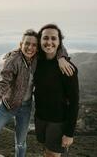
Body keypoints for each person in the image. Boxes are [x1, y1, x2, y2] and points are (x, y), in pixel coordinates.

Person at [0, 29, 74, 157]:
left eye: (34, 45)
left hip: (25, 107)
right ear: (20, 45)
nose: (30, 47)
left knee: (20, 142)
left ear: (38, 47)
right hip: (7, 106)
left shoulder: (38, 58)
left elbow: (56, 46)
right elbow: (1, 86)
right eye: (27, 44)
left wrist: (62, 57)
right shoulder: (13, 60)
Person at [34, 24, 79, 157]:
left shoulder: (67, 68)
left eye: (54, 38)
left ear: (59, 42)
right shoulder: (37, 62)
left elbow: (74, 102)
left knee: (52, 155)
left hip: (58, 122)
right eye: (45, 38)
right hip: (40, 118)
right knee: (46, 151)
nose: (49, 42)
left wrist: (69, 133)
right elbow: (25, 49)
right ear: (40, 40)